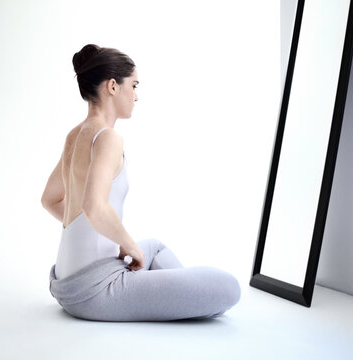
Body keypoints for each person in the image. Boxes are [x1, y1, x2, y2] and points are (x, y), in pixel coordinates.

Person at [41, 44, 240, 321]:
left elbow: (50, 199)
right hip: (95, 290)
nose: (136, 96)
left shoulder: (75, 135)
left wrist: (105, 236)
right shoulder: (108, 138)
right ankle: (186, 295)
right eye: (133, 86)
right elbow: (94, 207)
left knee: (155, 246)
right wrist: (128, 245)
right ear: (113, 86)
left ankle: (180, 293)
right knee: (229, 287)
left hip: (65, 282)